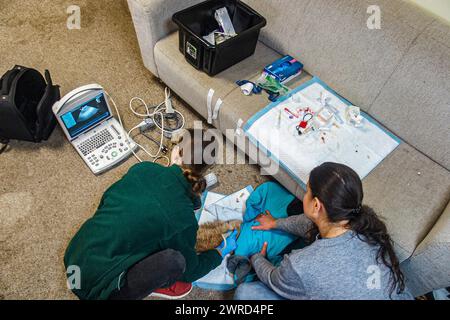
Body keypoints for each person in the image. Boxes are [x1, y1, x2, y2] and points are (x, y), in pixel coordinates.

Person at [64, 129, 233, 300]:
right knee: (175, 261)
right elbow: (190, 271)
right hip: (97, 291)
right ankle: (150, 287)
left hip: (74, 260)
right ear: (204, 170)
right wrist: (215, 256)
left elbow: (106, 200)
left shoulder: (143, 169)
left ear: (176, 152)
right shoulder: (183, 219)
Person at [234, 162, 413, 300]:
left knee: (245, 293)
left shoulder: (300, 265)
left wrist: (257, 258)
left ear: (317, 205)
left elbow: (274, 279)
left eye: (307, 191)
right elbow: (309, 224)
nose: (304, 195)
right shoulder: (368, 227)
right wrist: (276, 223)